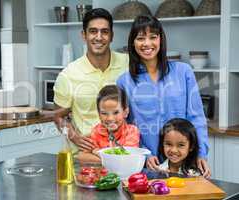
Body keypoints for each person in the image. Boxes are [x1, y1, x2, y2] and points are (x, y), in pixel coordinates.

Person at [116, 15, 211, 178]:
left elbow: (196, 117)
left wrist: (201, 152)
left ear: (161, 40)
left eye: (153, 37)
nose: (147, 43)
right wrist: (143, 155)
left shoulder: (183, 71)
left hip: (184, 163)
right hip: (148, 165)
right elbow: (125, 127)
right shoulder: (124, 81)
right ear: (133, 43)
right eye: (140, 38)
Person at [53, 8, 128, 151]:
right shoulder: (68, 75)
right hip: (85, 157)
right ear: (84, 35)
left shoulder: (128, 64)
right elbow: (58, 116)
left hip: (122, 153)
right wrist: (74, 136)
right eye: (93, 31)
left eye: (104, 32)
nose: (99, 37)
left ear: (111, 36)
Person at [77, 85, 140, 163]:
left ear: (125, 112)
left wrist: (96, 151)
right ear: (99, 114)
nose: (110, 118)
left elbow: (125, 158)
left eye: (116, 112)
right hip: (102, 174)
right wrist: (110, 160)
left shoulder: (131, 131)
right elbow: (82, 156)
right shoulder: (97, 131)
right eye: (104, 113)